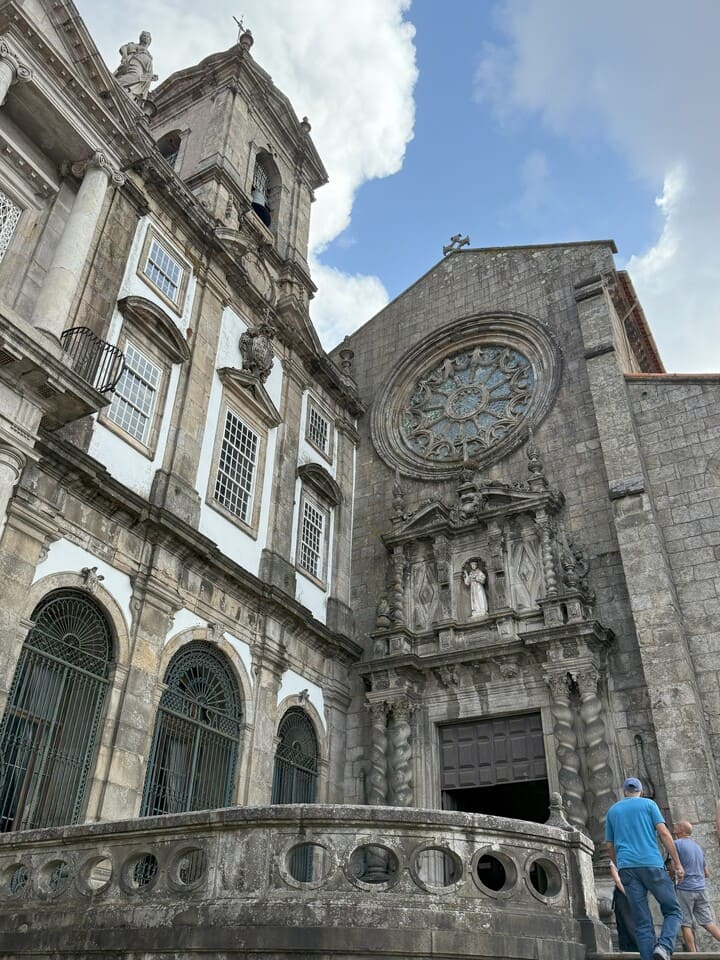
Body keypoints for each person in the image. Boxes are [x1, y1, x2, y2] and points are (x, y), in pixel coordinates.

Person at [605, 776, 684, 960]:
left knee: (641, 923)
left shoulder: (613, 811)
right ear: (640, 791)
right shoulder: (649, 805)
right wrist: (677, 863)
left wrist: (620, 865)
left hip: (627, 869)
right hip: (651, 864)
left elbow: (609, 846)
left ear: (625, 791)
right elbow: (664, 833)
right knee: (673, 910)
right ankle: (664, 947)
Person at [672, 820, 720, 952]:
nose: (674, 826)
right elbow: (706, 872)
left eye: (676, 825)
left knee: (685, 924)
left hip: (685, 888)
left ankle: (693, 955)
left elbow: (671, 867)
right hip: (701, 888)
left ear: (680, 830)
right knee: (708, 923)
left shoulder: (676, 844)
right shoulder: (697, 847)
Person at [610, 859, 638, 951]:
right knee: (624, 922)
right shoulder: (615, 860)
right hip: (624, 894)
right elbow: (617, 880)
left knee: (630, 923)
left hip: (630, 893)